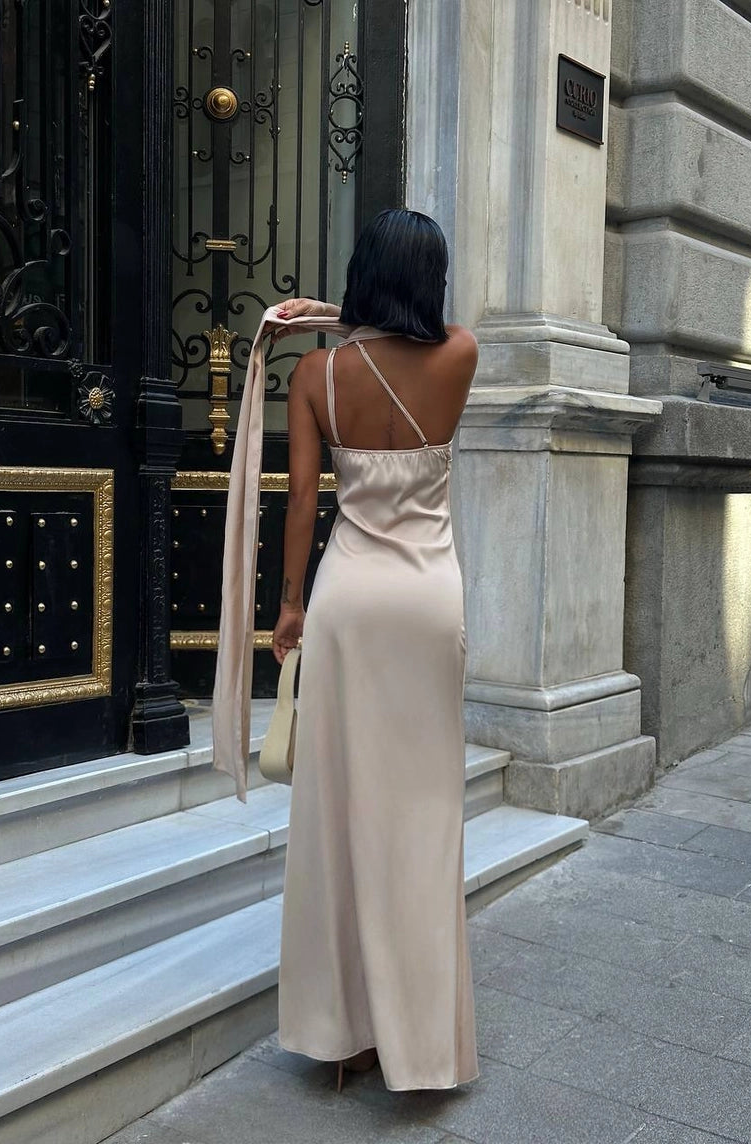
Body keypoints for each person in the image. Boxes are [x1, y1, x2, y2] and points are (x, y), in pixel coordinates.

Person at [268, 208, 479, 1093]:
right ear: (429, 280)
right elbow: (437, 332)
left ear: (360, 279)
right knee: (423, 817)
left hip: (349, 602)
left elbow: (305, 506)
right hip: (429, 602)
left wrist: (286, 609)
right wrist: (352, 320)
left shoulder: (317, 377)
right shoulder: (459, 356)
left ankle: (345, 1035)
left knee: (340, 812)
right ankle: (420, 1043)